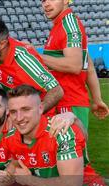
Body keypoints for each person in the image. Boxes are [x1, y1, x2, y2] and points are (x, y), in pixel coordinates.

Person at [40, 0, 109, 130]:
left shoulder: (69, 25)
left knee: (72, 149)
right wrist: (97, 99)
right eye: (43, 0)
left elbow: (74, 65)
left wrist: (36, 56)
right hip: (64, 102)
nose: (46, 4)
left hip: (69, 103)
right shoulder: (62, 24)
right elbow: (88, 65)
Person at [0, 18, 64, 115]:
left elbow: (57, 91)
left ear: (2, 44)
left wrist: (35, 114)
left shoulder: (23, 60)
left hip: (38, 119)